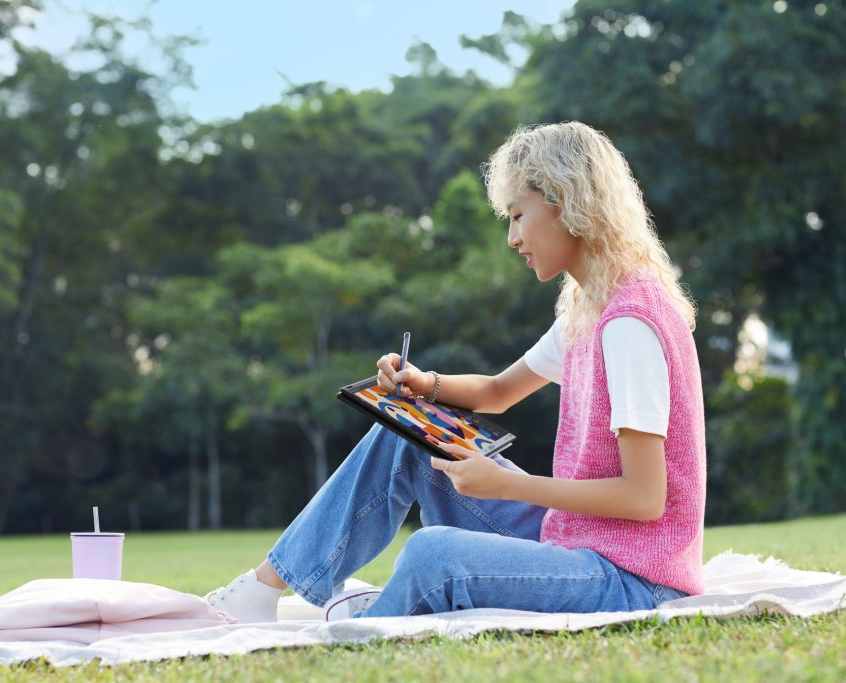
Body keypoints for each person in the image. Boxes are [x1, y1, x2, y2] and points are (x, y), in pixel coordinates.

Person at [206, 121, 706, 622]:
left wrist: (506, 484)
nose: (512, 239)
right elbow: (497, 390)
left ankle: (367, 620)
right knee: (407, 436)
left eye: (517, 216)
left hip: (633, 580)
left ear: (567, 203)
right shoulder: (589, 311)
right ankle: (263, 589)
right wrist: (426, 386)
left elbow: (644, 498)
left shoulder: (627, 324)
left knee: (434, 555)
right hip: (578, 540)